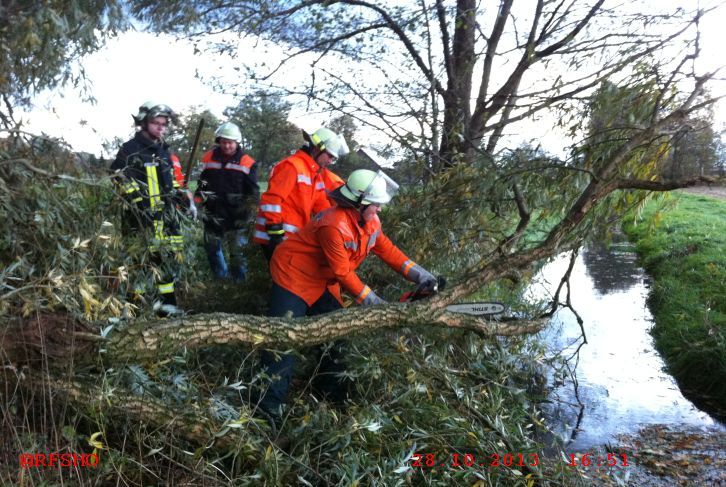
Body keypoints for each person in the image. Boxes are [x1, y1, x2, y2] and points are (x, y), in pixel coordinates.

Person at [258, 169, 437, 421]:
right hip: (293, 276)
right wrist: (374, 304)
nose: (379, 210)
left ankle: (331, 394)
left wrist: (421, 275)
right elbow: (342, 272)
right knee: (281, 342)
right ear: (359, 204)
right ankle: (268, 410)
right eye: (375, 205)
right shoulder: (334, 224)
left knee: (337, 335)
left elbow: (388, 251)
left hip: (320, 280)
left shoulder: (370, 221)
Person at [110, 101, 194, 316]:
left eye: (164, 124)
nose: (161, 128)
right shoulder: (129, 149)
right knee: (140, 265)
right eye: (156, 123)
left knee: (165, 264)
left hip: (165, 220)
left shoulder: (164, 151)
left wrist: (183, 200)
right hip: (140, 221)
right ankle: (133, 311)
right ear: (143, 123)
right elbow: (118, 178)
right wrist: (141, 205)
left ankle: (167, 307)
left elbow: (170, 183)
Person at [253, 127, 349, 262]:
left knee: (287, 281)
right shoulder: (292, 166)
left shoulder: (314, 174)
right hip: (274, 235)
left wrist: (339, 228)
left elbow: (323, 208)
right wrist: (275, 231)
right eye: (330, 156)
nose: (330, 161)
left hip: (289, 237)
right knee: (286, 281)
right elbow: (272, 200)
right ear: (317, 148)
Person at [194, 122, 259, 282]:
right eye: (223, 142)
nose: (226, 145)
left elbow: (253, 193)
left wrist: (250, 214)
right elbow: (202, 183)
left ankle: (239, 282)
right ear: (219, 141)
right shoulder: (208, 158)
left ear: (237, 142)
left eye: (230, 142)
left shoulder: (247, 162)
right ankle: (221, 279)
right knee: (212, 249)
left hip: (238, 216)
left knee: (237, 253)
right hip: (212, 213)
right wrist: (196, 202)